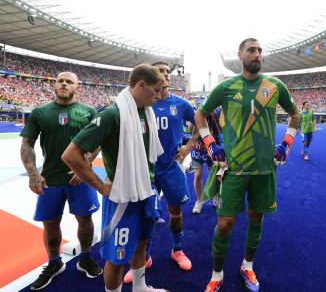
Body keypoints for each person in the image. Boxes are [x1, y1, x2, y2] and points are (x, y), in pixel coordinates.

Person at [195, 38, 300, 292]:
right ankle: (216, 274)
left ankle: (247, 265)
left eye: (260, 51)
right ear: (240, 55)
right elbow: (200, 113)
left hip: (265, 169)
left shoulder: (275, 86)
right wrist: (210, 143)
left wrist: (287, 143)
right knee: (225, 224)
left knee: (256, 217)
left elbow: (294, 114)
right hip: (233, 169)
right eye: (252, 50)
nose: (257, 54)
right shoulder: (226, 87)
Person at [62, 64, 168, 292]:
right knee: (117, 258)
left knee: (142, 244)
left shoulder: (145, 112)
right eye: (156, 90)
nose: (159, 96)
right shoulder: (113, 114)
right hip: (122, 198)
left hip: (145, 191)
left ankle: (140, 288)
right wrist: (101, 187)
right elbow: (71, 155)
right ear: (141, 85)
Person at [19, 72, 102, 290]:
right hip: (50, 180)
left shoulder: (88, 111)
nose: (64, 84)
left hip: (81, 179)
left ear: (77, 87)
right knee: (50, 223)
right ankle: (54, 263)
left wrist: (85, 164)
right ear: (54, 86)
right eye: (60, 81)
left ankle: (85, 258)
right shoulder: (40, 113)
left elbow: (97, 141)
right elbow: (27, 143)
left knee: (85, 220)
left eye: (69, 81)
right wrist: (32, 174)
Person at [148, 61, 196, 273]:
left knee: (175, 211)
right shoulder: (141, 102)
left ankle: (177, 250)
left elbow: (200, 126)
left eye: (168, 71)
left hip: (171, 167)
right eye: (161, 71)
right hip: (145, 168)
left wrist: (188, 146)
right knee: (145, 214)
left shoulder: (182, 104)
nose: (166, 74)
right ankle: (144, 257)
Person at [191, 108, 222, 214]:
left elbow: (221, 130)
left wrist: (215, 117)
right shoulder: (197, 112)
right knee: (198, 174)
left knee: (215, 175)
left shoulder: (217, 112)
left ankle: (216, 196)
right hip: (198, 147)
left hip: (212, 148)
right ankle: (199, 201)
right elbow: (189, 128)